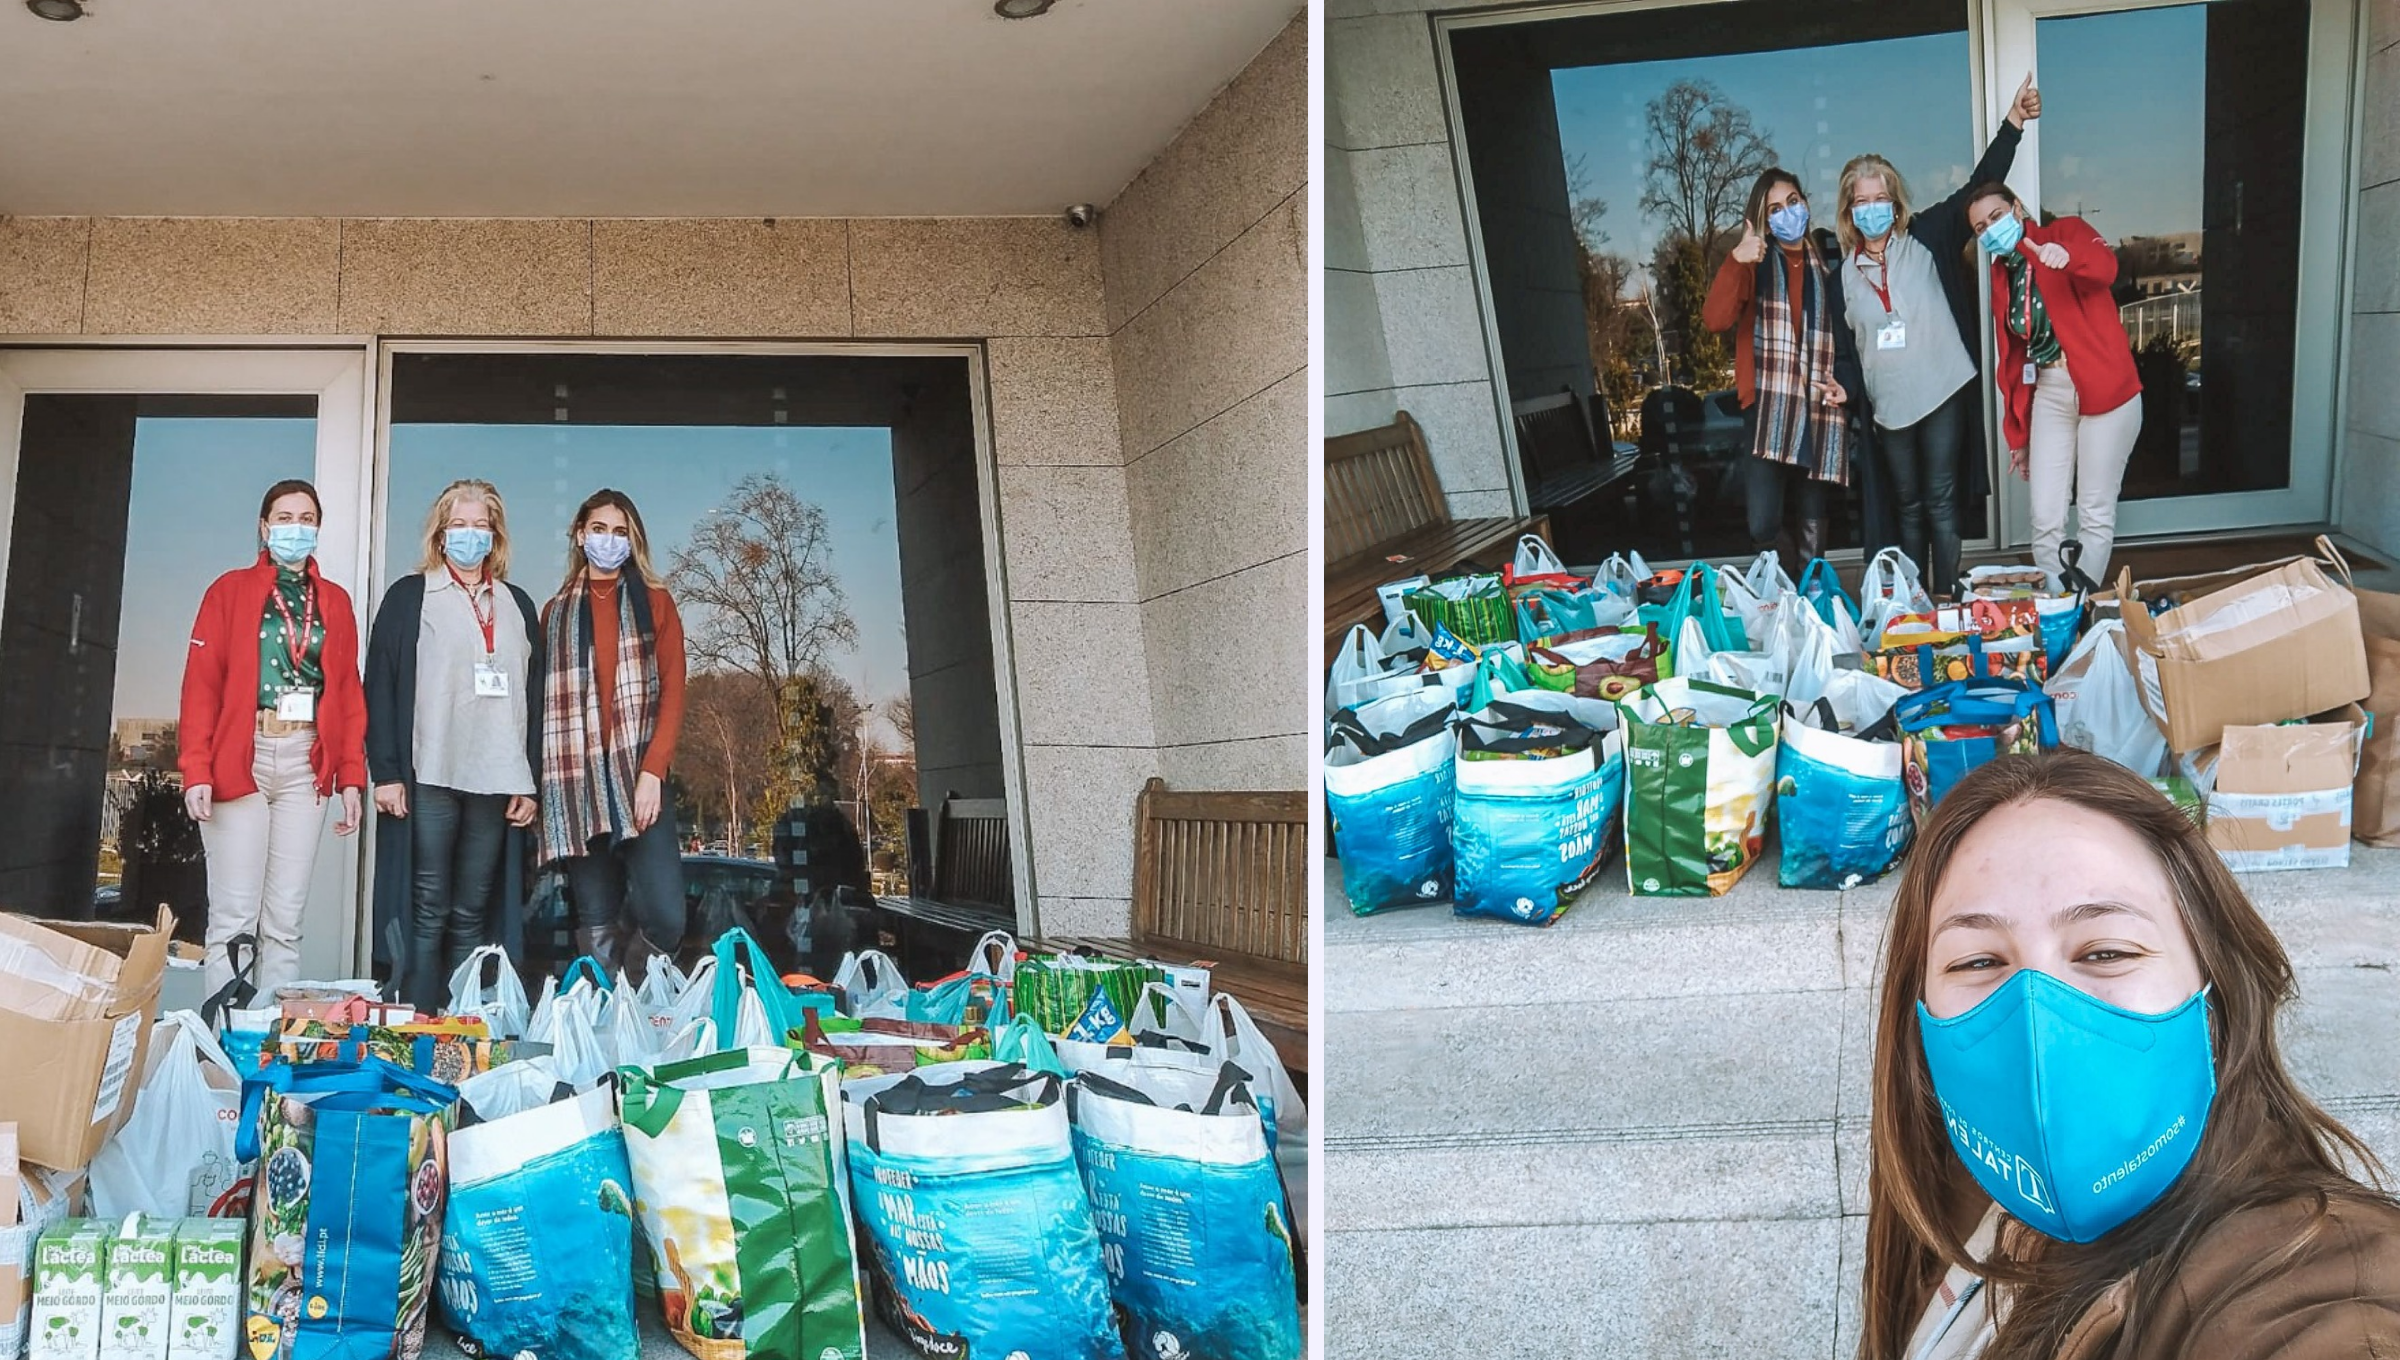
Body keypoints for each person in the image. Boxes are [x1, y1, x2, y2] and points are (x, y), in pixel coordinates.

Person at [1859, 749, 2400, 1359]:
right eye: (1978, 961)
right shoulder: (1953, 1182)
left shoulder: (2311, 1276)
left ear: (2213, 991)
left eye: (2106, 952)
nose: (2039, 1016)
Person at [1834, 75, 2042, 597]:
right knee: (1906, 508)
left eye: (1880, 197)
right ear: (1849, 210)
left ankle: (1947, 598)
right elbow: (1848, 351)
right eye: (1862, 201)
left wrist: (2013, 124)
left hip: (1942, 391)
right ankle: (1915, 604)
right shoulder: (1842, 273)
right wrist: (1847, 390)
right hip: (1890, 408)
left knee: (1941, 501)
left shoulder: (1926, 236)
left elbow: (1982, 183)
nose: (1872, 208)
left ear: (1895, 201)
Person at [177, 479, 367, 1001]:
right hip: (244, 757)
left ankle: (267, 1052)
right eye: (284, 517)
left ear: (318, 529)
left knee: (284, 922)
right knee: (235, 918)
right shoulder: (229, 590)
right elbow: (201, 685)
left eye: (306, 518)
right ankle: (224, 1046)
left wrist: (351, 774)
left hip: (307, 763)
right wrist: (196, 767)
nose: (295, 527)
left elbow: (348, 693)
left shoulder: (335, 601)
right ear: (264, 527)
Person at [364, 479, 543, 1010]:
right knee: (427, 906)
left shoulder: (516, 605)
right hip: (431, 772)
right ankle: (418, 1022)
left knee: (473, 912)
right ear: (441, 535)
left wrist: (528, 781)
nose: (471, 535)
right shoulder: (410, 596)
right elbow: (380, 685)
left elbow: (533, 701)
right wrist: (387, 772)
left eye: (481, 526)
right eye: (459, 525)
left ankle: (462, 1027)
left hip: (494, 777)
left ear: (496, 536)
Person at [538, 488, 688, 970]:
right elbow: (540, 707)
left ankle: (637, 988)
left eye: (620, 531)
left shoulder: (657, 604)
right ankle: (612, 1021)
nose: (609, 540)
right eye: (599, 529)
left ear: (634, 540)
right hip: (578, 783)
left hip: (639, 779)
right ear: (580, 536)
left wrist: (653, 772)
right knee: (596, 921)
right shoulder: (554, 611)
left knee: (668, 917)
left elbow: (674, 692)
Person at [1967, 183, 2143, 588]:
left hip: (2105, 390)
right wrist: (2019, 433)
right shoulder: (2002, 274)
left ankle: (2082, 606)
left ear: (2016, 207)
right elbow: (2013, 358)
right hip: (2050, 386)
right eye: (1980, 228)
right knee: (2045, 516)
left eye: (1995, 217)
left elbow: (2106, 268)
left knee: (2096, 512)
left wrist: (2070, 257)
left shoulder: (2064, 233)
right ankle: (2056, 603)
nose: (1990, 230)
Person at [1704, 167, 1866, 575]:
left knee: (1813, 515)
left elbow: (1850, 331)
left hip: (1817, 400)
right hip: (1767, 403)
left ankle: (1811, 597)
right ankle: (1785, 593)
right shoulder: (1754, 262)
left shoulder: (1829, 258)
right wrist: (1735, 261)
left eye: (1793, 202)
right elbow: (1716, 319)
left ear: (1806, 203)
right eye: (1775, 208)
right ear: (1763, 220)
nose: (1787, 213)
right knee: (1763, 521)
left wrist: (1846, 382)